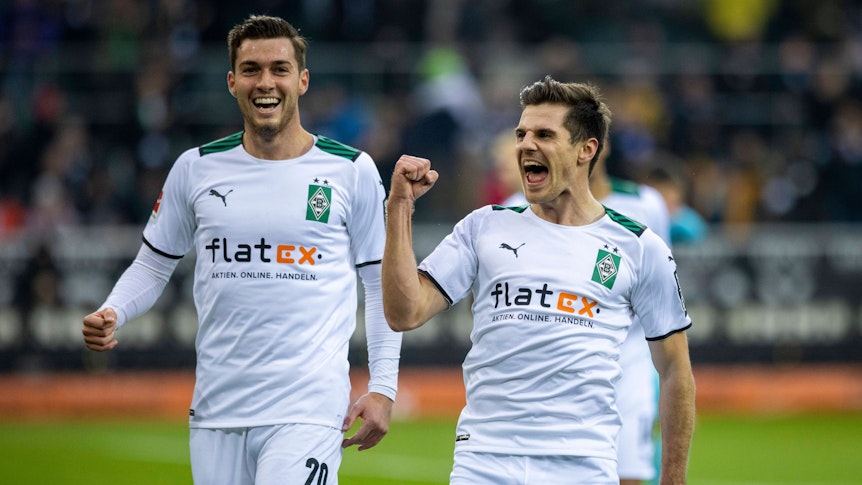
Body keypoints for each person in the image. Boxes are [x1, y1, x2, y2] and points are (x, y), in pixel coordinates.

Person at [81, 15, 401, 485]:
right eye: (251, 70)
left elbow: (380, 285)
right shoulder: (195, 168)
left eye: (279, 69)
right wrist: (114, 310)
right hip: (217, 410)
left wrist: (384, 387)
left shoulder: (351, 170)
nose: (265, 82)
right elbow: (152, 264)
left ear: (303, 80)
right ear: (232, 82)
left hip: (308, 409)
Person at [382, 76, 695, 484]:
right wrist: (399, 208)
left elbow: (675, 371)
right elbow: (404, 312)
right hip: (484, 461)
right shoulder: (484, 226)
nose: (526, 145)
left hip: (582, 465)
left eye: (544, 135)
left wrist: (673, 479)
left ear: (587, 150)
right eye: (521, 134)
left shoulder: (639, 246)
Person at [590, 143, 672, 485]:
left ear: (600, 144)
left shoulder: (645, 204)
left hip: (629, 357)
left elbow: (659, 281)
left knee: (629, 473)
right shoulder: (519, 207)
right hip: (562, 360)